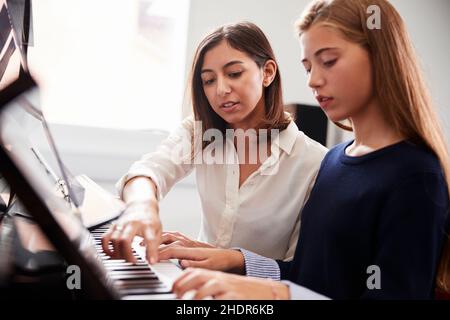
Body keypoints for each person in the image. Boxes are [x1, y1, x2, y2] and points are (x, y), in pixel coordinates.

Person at [159, 0, 450, 300]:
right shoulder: (335, 162)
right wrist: (235, 260)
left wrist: (274, 294)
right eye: (308, 66)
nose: (312, 80)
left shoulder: (416, 175)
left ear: (379, 57)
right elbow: (307, 277)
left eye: (328, 61)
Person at [101, 22, 327, 265]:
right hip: (194, 280)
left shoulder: (314, 163)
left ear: (268, 73)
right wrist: (142, 206)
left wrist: (229, 260)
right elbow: (149, 170)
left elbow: (300, 270)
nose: (220, 89)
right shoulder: (201, 133)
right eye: (208, 80)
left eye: (234, 74)